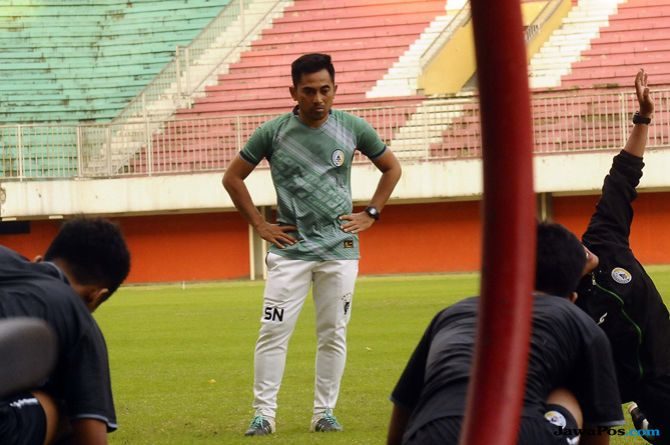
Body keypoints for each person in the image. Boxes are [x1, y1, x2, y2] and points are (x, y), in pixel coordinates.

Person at [222, 52, 402, 435]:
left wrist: (371, 213)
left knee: (333, 333)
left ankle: (324, 413)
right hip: (290, 252)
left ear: (335, 89)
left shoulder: (352, 127)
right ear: (294, 92)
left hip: (340, 251)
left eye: (325, 90)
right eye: (308, 91)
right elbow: (232, 177)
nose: (318, 99)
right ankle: (264, 415)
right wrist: (260, 224)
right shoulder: (273, 132)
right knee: (273, 331)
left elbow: (392, 167)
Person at [387, 222, 624, 445]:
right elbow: (598, 429)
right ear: (571, 298)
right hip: (523, 432)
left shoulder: (451, 313)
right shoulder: (580, 322)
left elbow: (403, 411)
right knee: (567, 395)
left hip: (431, 432)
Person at [576, 69, 670, 444]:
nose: (578, 246)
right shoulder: (570, 309)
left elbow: (623, 175)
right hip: (647, 390)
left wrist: (643, 117)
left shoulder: (603, 238)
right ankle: (645, 422)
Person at [0, 217, 131, 445]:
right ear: (95, 295)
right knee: (66, 408)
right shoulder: (77, 314)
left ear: (38, 260)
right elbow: (92, 438)